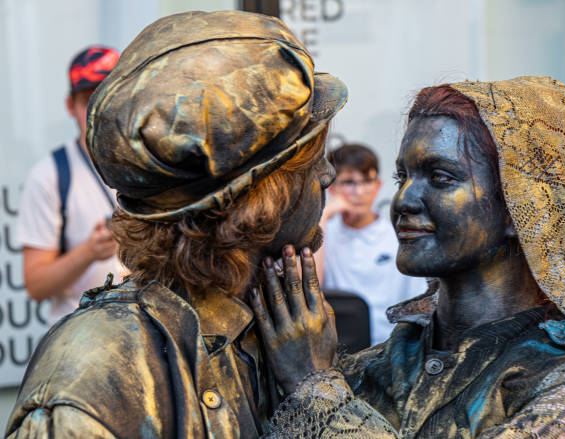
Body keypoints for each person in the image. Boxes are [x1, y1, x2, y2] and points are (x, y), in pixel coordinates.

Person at [5, 11, 346, 438]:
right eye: (312, 162)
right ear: (264, 200)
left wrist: (314, 385)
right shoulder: (95, 375)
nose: (327, 176)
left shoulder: (287, 329)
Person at [253, 76, 565, 438]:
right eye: (402, 177)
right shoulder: (374, 368)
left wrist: (316, 388)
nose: (404, 201)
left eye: (440, 177)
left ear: (519, 210)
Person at [16, 45, 123, 326]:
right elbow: (36, 285)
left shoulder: (158, 165)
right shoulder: (48, 175)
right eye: (90, 100)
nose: (100, 110)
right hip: (79, 345)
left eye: (111, 97)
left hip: (147, 337)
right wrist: (89, 252)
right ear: (70, 106)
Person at [316, 143, 427, 344]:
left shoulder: (398, 237)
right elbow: (310, 290)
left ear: (377, 186)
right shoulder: (324, 234)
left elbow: (417, 306)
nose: (358, 191)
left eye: (367, 181)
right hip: (334, 346)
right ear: (332, 188)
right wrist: (323, 216)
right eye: (349, 182)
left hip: (386, 349)